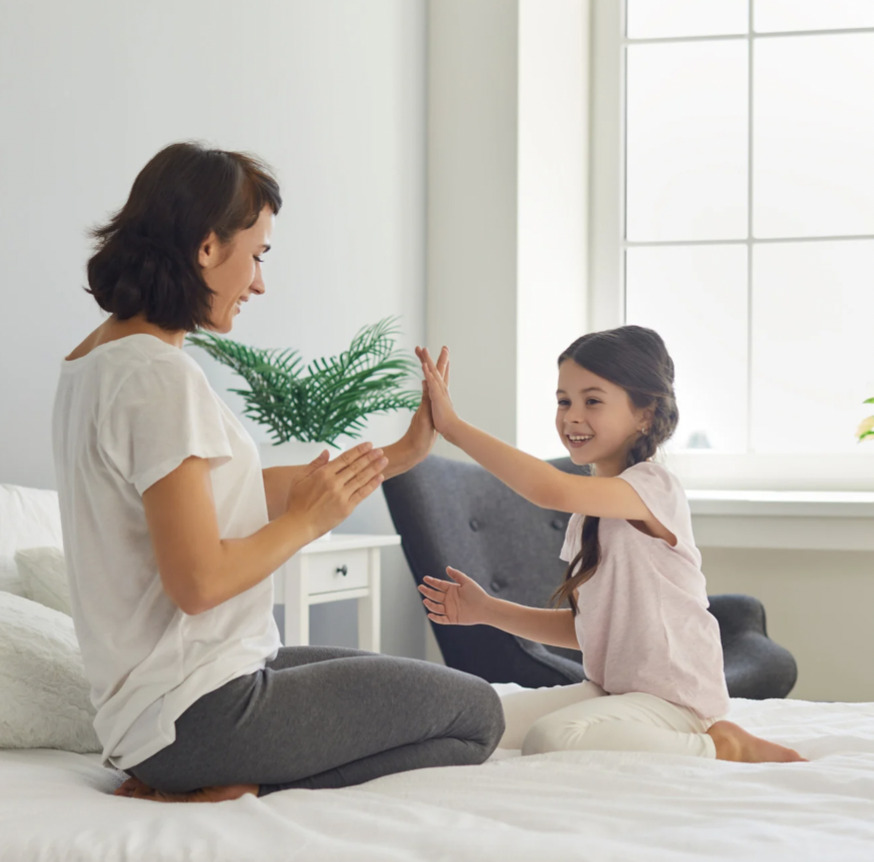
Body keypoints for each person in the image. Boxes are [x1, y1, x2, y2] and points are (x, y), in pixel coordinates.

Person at [53, 141, 504, 803]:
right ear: (207, 248)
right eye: (257, 254)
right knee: (478, 715)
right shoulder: (158, 377)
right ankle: (235, 783)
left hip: (159, 717)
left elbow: (221, 498)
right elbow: (199, 582)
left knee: (409, 685)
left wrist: (403, 455)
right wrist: (305, 523)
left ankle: (190, 779)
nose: (259, 281)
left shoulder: (95, 363)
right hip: (199, 714)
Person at [415, 327, 804, 764]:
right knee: (478, 720)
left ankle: (718, 745)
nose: (571, 416)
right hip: (613, 692)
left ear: (645, 413)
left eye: (592, 401)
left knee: (550, 738)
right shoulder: (588, 514)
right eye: (564, 401)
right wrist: (486, 611)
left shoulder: (654, 487)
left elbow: (550, 489)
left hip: (673, 701)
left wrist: (454, 428)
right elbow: (589, 629)